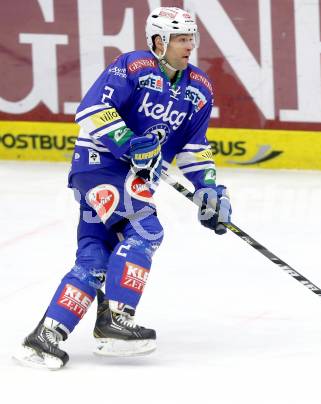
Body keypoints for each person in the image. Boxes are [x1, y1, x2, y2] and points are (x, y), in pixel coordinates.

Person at [14, 6, 231, 370]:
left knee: (95, 257)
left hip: (134, 180)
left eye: (191, 38)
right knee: (145, 230)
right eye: (180, 39)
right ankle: (116, 319)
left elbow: (194, 147)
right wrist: (130, 143)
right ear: (158, 41)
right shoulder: (133, 66)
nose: (188, 46)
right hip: (99, 166)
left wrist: (208, 188)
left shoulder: (199, 88)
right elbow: (92, 110)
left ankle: (46, 337)